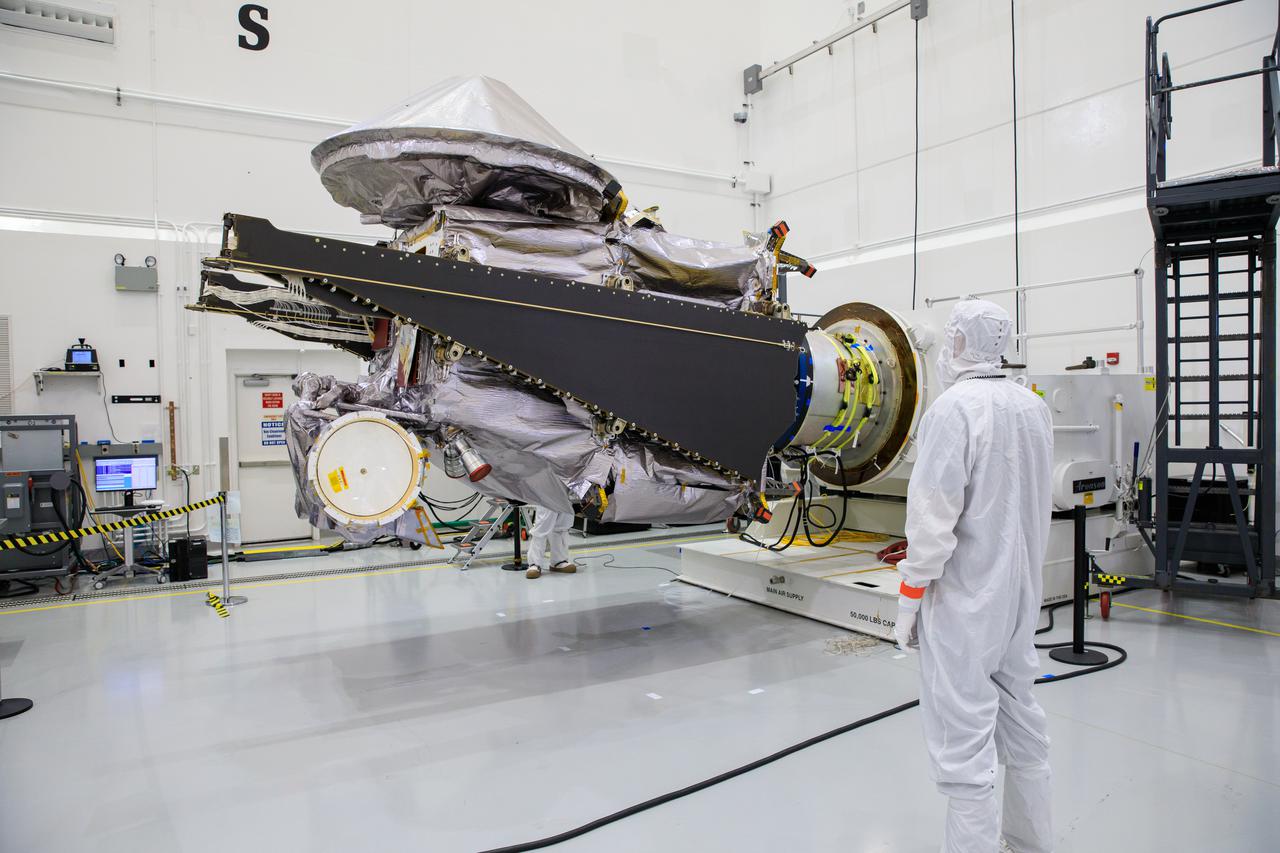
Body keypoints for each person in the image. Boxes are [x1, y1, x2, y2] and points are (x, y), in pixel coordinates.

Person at [894, 299, 1055, 853]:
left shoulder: (953, 411)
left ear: (959, 344)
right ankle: (1031, 843)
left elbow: (933, 520)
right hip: (1020, 597)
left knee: (964, 742)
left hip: (965, 600)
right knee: (1022, 719)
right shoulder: (1032, 407)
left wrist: (910, 598)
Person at [525, 507, 578, 579]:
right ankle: (534, 564)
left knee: (563, 524)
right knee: (542, 524)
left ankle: (559, 561)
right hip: (546, 496)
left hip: (567, 497)